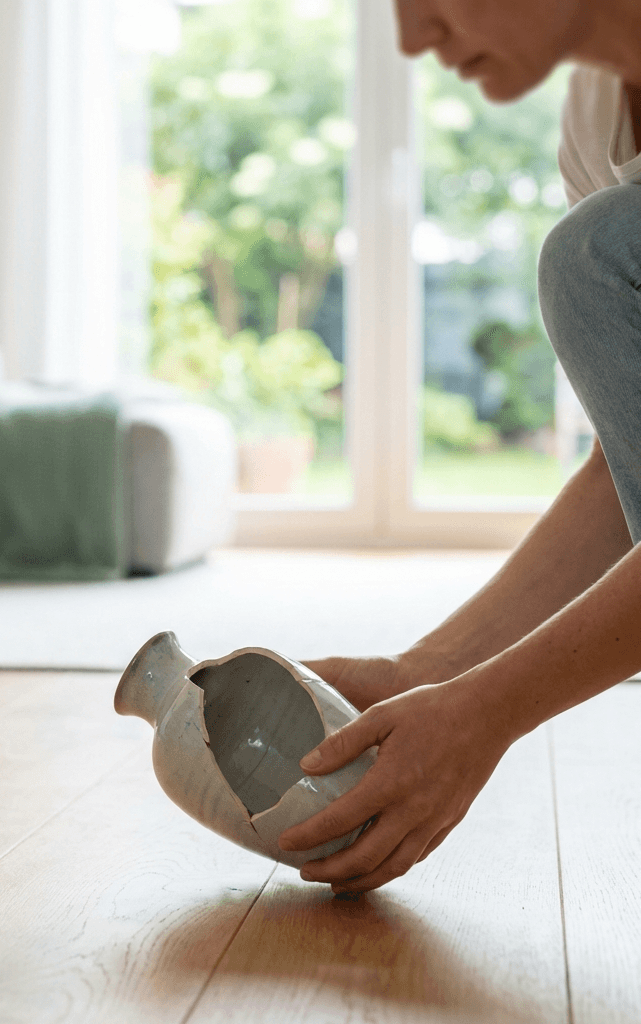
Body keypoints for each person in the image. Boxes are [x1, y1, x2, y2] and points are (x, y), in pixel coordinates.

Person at [277, 0, 641, 893]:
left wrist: (486, 714)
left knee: (594, 251)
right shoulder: (596, 122)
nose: (411, 38)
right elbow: (624, 468)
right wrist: (427, 672)